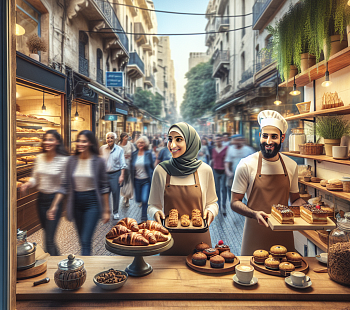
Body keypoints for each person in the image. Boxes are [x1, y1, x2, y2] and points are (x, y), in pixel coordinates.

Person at [231, 110, 305, 255]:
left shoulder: (291, 165)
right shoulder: (246, 164)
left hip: (284, 233)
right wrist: (254, 214)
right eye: (265, 136)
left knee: (285, 272)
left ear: (282, 138)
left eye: (274, 137)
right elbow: (234, 202)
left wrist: (307, 207)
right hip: (255, 233)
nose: (269, 142)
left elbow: (295, 199)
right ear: (260, 136)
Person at [148, 122, 218, 255]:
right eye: (170, 139)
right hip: (168, 241)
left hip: (200, 243)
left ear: (191, 142)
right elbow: (152, 205)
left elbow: (212, 203)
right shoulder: (161, 170)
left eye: (178, 139)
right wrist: (155, 213)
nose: (172, 145)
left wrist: (211, 212)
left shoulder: (205, 170)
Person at [49, 130, 110, 256]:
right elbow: (64, 185)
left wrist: (106, 210)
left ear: (91, 143)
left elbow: (104, 187)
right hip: (76, 202)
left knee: (85, 240)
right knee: (81, 240)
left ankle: (85, 272)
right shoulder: (71, 161)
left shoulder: (98, 162)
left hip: (92, 202)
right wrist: (54, 205)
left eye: (84, 141)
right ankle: (85, 266)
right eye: (78, 141)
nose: (80, 144)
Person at [20, 130, 69, 256]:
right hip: (41, 200)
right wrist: (27, 184)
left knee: (49, 240)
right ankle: (57, 264)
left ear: (57, 141)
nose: (47, 142)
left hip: (55, 200)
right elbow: (36, 177)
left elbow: (63, 187)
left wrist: (53, 207)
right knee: (47, 235)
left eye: (51, 139)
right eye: (45, 139)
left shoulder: (63, 160)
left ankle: (57, 268)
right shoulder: (40, 158)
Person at [100, 132, 126, 220]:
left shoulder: (119, 150)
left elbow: (123, 164)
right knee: (104, 193)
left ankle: (115, 212)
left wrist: (122, 176)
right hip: (104, 175)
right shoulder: (102, 149)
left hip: (115, 174)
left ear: (115, 139)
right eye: (108, 138)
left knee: (115, 193)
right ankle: (105, 211)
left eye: (111, 138)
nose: (109, 139)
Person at [225, 135, 255, 204]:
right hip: (234, 175)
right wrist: (228, 171)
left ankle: (245, 204)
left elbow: (255, 161)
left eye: (239, 140)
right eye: (236, 140)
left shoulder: (248, 150)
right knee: (233, 190)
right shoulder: (230, 149)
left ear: (243, 141)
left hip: (246, 174)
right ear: (233, 141)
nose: (238, 142)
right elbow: (227, 162)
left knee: (246, 191)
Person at [130, 136, 154, 222]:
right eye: (139, 142)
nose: (140, 144)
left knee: (144, 199)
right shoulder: (134, 154)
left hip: (146, 180)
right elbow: (131, 167)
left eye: (142, 143)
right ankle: (143, 205)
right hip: (136, 180)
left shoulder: (148, 154)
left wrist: (154, 177)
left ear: (145, 144)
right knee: (138, 199)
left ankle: (144, 217)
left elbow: (152, 167)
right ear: (137, 144)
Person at [212, 134, 228, 216]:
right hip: (215, 170)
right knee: (217, 189)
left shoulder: (226, 149)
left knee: (223, 188)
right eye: (216, 139)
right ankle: (218, 205)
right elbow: (212, 160)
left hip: (223, 171)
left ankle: (224, 206)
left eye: (219, 139)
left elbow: (228, 160)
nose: (217, 141)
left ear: (221, 140)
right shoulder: (213, 149)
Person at [118, 132, 136, 207]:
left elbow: (135, 153)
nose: (127, 137)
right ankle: (124, 196)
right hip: (120, 166)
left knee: (128, 183)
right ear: (122, 138)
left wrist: (130, 155)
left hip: (129, 166)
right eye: (126, 136)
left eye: (128, 136)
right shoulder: (118, 145)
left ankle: (127, 199)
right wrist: (122, 156)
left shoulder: (130, 144)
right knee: (123, 183)